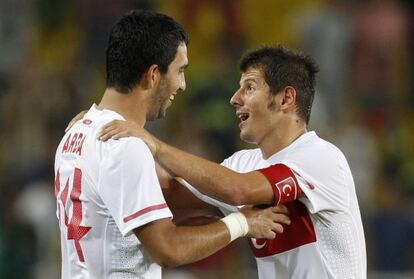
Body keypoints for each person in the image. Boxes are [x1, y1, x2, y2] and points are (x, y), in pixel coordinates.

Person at [54, 10, 291, 279]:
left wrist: (212, 223)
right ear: (153, 75)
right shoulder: (124, 145)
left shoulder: (75, 134)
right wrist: (242, 223)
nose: (183, 84)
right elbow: (167, 248)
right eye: (180, 71)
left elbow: (122, 216)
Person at [96, 45, 367, 278]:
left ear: (286, 98)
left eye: (249, 87)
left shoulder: (321, 158)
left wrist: (155, 145)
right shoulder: (242, 163)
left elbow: (240, 189)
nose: (234, 99)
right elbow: (170, 190)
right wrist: (96, 135)